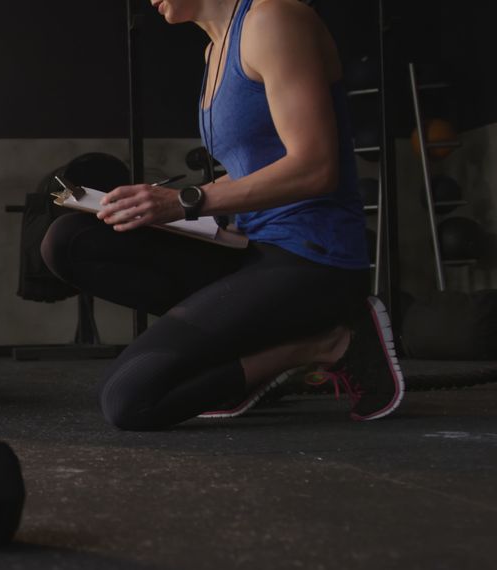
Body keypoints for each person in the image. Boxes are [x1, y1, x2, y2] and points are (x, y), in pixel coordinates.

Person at [39, 0, 404, 430]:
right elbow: (254, 167)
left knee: (129, 400)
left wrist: (184, 202)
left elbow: (316, 168)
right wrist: (173, 210)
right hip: (252, 248)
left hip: (313, 260)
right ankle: (246, 350)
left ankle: (324, 343)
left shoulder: (273, 20)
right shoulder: (215, 50)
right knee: (69, 240)